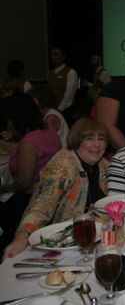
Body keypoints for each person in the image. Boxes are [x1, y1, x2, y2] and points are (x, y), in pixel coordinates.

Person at [2, 117, 109, 259]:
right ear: (77, 140)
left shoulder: (103, 165)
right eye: (89, 138)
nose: (97, 144)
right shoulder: (63, 165)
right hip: (62, 244)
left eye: (101, 139)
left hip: (93, 240)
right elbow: (44, 204)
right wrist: (23, 235)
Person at [0, 94, 62, 253]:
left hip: (32, 198)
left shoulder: (30, 141)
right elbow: (23, 149)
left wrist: (6, 188)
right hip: (52, 192)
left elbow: (24, 182)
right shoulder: (46, 129)